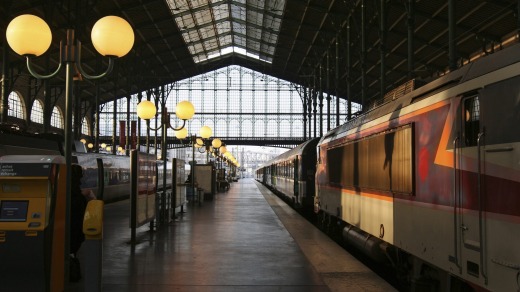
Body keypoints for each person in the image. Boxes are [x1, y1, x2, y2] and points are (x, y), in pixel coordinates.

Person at [70, 164, 87, 282]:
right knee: (72, 248)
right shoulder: (76, 191)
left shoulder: (69, 189)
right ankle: (72, 271)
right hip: (77, 225)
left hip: (72, 225)